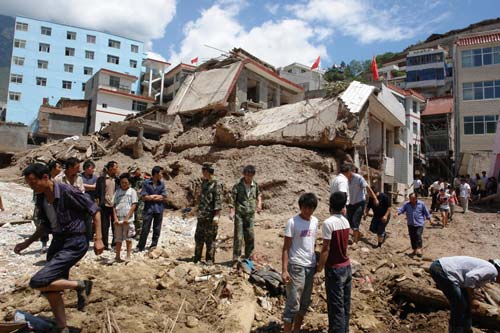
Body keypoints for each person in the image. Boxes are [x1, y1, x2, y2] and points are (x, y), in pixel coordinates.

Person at [14, 163, 104, 333]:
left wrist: (98, 238)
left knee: (38, 281)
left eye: (33, 182)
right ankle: (62, 327)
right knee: (51, 289)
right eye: (29, 184)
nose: (32, 187)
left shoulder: (66, 191)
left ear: (46, 177)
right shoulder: (41, 197)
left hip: (75, 241)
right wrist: (27, 243)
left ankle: (81, 285)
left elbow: (95, 210)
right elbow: (44, 225)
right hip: (58, 242)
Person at [430, 257, 500, 333]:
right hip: (442, 269)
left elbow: (469, 281)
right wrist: (473, 298)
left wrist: (472, 296)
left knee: (466, 301)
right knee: (459, 304)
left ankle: (466, 329)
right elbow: (470, 277)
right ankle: (456, 330)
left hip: (445, 270)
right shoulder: (492, 270)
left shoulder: (489, 269)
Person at [281, 193, 319, 333]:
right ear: (300, 207)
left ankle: (296, 330)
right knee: (293, 304)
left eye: (310, 208)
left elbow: (312, 244)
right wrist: (284, 270)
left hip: (310, 266)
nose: (307, 211)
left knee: (304, 303)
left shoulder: (315, 221)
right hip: (296, 266)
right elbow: (286, 248)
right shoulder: (292, 222)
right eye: (305, 208)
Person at [317, 191, 351, 333]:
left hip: (334, 269)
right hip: (346, 267)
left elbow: (326, 249)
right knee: (345, 304)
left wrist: (319, 268)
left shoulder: (328, 223)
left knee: (335, 305)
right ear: (343, 207)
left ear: (330, 205)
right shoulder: (345, 221)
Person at [229, 165, 262, 263]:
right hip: (240, 214)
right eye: (247, 175)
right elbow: (232, 199)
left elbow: (258, 194)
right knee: (238, 237)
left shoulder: (255, 185)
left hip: (250, 215)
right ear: (244, 174)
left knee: (250, 236)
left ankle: (248, 258)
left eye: (251, 175)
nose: (249, 177)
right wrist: (231, 211)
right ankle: (236, 259)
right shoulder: (238, 186)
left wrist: (259, 204)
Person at [193, 163, 222, 264]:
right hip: (202, 215)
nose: (203, 173)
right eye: (203, 171)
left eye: (204, 171)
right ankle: (197, 257)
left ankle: (209, 259)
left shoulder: (216, 184)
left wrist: (217, 215)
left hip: (210, 216)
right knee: (198, 237)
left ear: (209, 171)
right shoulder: (204, 183)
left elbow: (218, 200)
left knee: (210, 239)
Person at [137, 166, 167, 251]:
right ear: (156, 173)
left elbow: (164, 196)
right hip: (148, 209)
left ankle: (153, 245)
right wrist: (155, 197)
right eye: (161, 173)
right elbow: (144, 197)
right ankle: (141, 246)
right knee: (145, 228)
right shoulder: (146, 183)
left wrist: (152, 196)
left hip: (159, 209)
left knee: (157, 228)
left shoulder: (162, 184)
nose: (162, 175)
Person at [113, 173, 138, 261]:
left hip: (128, 219)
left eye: (125, 182)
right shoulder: (117, 192)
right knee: (118, 239)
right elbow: (114, 205)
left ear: (129, 183)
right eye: (122, 182)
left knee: (128, 238)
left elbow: (133, 205)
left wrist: (127, 217)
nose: (123, 184)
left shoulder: (132, 191)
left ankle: (128, 255)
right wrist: (115, 218)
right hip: (119, 219)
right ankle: (117, 256)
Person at [347, 169, 376, 245]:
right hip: (350, 203)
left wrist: (375, 198)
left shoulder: (359, 178)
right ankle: (358, 234)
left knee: (355, 221)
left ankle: (355, 241)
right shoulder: (345, 179)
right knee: (348, 221)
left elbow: (367, 188)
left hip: (359, 203)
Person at [96, 161, 119, 250]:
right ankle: (105, 244)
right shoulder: (101, 179)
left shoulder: (117, 179)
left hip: (115, 206)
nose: (117, 169)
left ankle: (115, 244)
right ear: (110, 168)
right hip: (104, 205)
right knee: (104, 225)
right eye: (115, 167)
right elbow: (97, 193)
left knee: (115, 225)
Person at [81, 160, 97, 241]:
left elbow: (95, 187)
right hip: (80, 202)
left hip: (91, 202)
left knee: (89, 220)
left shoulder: (95, 177)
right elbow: (77, 187)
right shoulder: (80, 177)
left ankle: (88, 237)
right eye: (92, 168)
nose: (93, 170)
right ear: (86, 168)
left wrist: (83, 186)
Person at [129, 165, 144, 240]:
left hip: (140, 201)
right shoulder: (131, 179)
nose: (134, 173)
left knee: (139, 217)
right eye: (133, 172)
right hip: (132, 201)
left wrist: (139, 192)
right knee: (133, 217)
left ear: (139, 170)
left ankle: (140, 234)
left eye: (135, 171)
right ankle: (134, 232)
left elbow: (143, 189)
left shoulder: (143, 179)